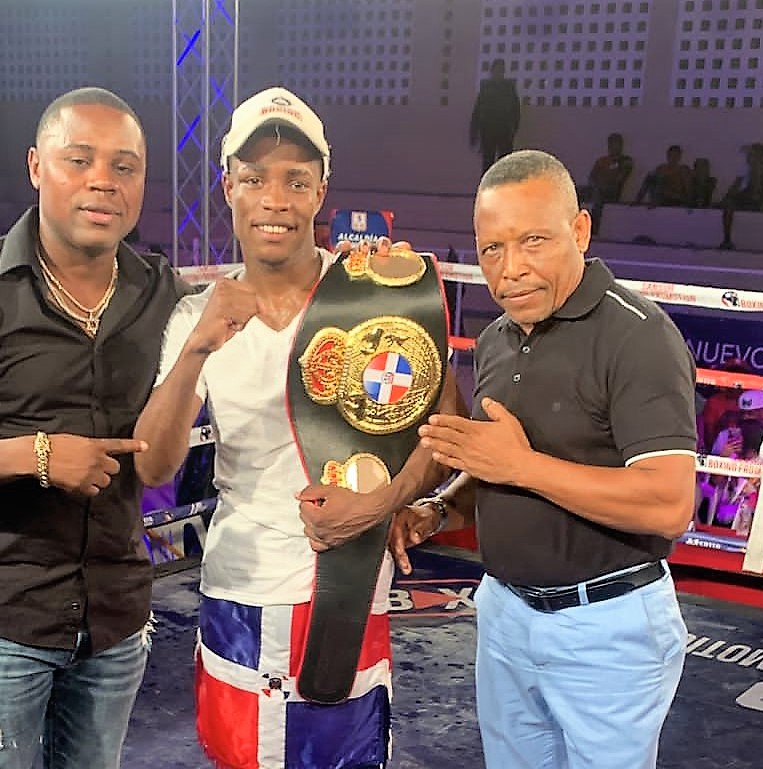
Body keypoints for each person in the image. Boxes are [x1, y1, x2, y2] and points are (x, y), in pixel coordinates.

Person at [133, 86, 458, 769]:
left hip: (346, 588)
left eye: (295, 180)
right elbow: (154, 466)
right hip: (241, 586)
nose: (274, 200)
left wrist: (385, 501)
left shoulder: (371, 297)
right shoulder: (195, 315)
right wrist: (197, 350)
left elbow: (442, 432)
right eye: (255, 178)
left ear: (321, 192)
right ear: (228, 186)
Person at [393, 150, 697, 769]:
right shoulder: (496, 339)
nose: (511, 270)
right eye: (492, 249)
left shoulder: (638, 336)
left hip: (605, 625)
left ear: (579, 230)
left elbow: (668, 504)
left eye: (533, 240)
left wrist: (522, 466)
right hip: (505, 611)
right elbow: (495, 467)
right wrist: (440, 509)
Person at [0, 87, 191, 769]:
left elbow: (268, 302)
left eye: (125, 166)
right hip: (0, 614)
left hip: (116, 615)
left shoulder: (164, 295)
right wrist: (35, 455)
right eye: (79, 159)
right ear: (37, 167)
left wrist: (372, 284)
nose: (104, 180)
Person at [469, 58, 521, 175]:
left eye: (501, 70)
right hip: (488, 130)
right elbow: (478, 109)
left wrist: (513, 128)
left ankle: (501, 185)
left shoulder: (508, 88)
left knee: (504, 163)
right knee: (488, 162)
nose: (499, 73)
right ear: (492, 71)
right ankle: (489, 184)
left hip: (504, 130)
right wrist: (474, 132)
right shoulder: (487, 88)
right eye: (497, 70)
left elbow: (515, 110)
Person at [578, 132, 633, 235]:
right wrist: (596, 185)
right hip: (597, 188)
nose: (614, 147)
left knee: (598, 195)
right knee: (576, 191)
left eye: (616, 144)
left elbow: (619, 179)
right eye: (611, 144)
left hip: (611, 192)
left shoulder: (626, 161)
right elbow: (592, 177)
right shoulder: (601, 161)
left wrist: (604, 185)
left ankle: (594, 228)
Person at [719, 142, 763, 249]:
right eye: (749, 155)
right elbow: (734, 188)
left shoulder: (759, 168)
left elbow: (755, 192)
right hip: (743, 198)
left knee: (728, 206)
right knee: (727, 203)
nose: (749, 157)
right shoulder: (746, 171)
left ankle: (727, 240)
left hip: (751, 200)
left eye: (752, 155)